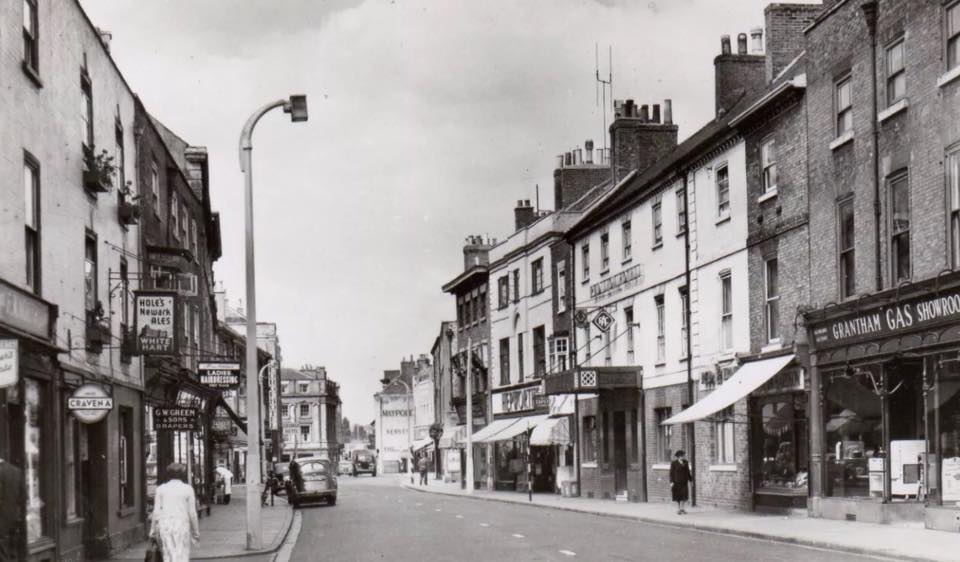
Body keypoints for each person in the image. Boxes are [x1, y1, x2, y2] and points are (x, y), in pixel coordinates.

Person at [150, 463, 200, 562]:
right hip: (182, 525)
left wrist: (153, 531)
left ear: (168, 474)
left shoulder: (161, 489)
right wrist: (196, 532)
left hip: (165, 525)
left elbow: (156, 512)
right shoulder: (188, 489)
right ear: (182, 474)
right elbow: (192, 513)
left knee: (168, 555)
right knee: (182, 555)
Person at [670, 450, 692, 515]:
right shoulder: (674, 463)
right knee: (677, 496)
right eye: (681, 456)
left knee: (684, 495)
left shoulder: (686, 462)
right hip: (676, 482)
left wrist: (691, 480)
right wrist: (671, 482)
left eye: (683, 456)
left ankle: (682, 508)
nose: (683, 457)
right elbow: (671, 473)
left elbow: (688, 472)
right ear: (678, 457)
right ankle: (678, 509)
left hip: (684, 482)